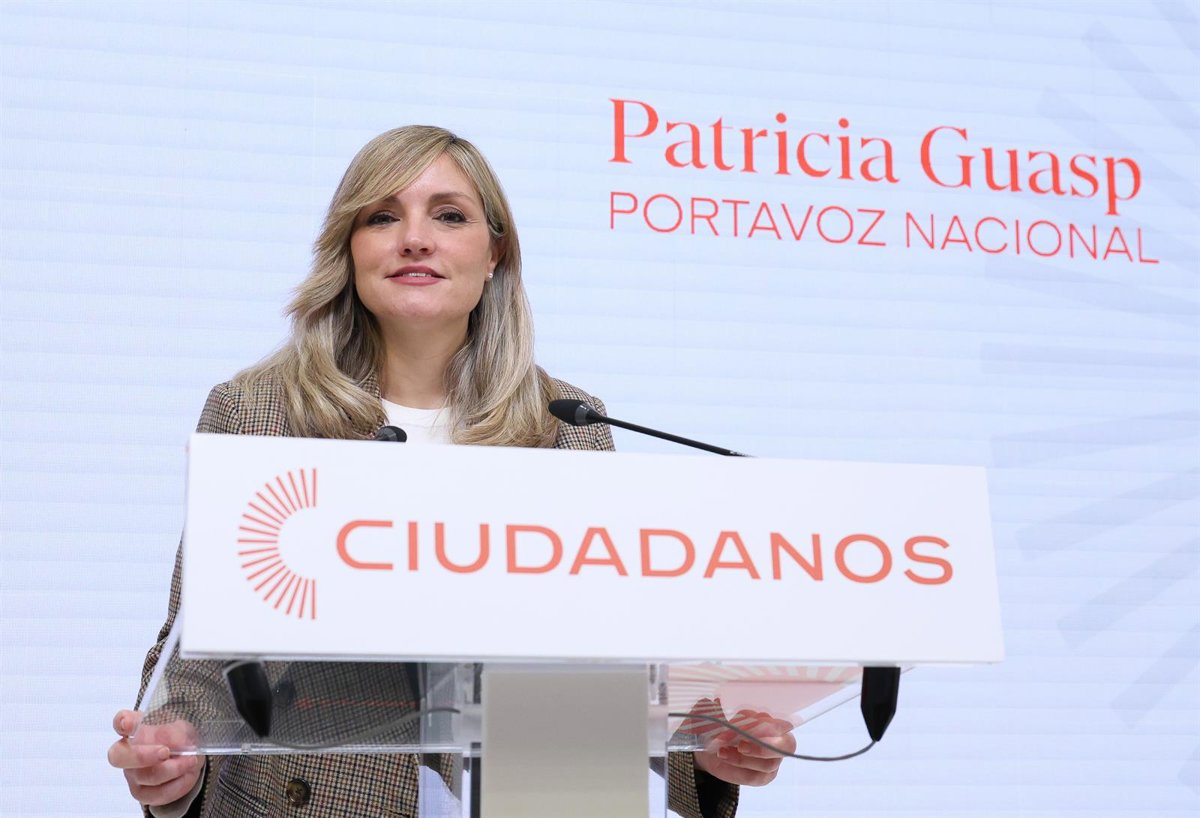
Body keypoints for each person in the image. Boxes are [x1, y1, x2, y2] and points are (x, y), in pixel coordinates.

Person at [106, 125, 795, 817]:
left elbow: (611, 657)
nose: (415, 239)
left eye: (449, 216)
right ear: (349, 248)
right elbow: (200, 641)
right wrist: (175, 746)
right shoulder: (256, 412)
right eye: (382, 216)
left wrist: (701, 753)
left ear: (494, 253)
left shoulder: (568, 423)